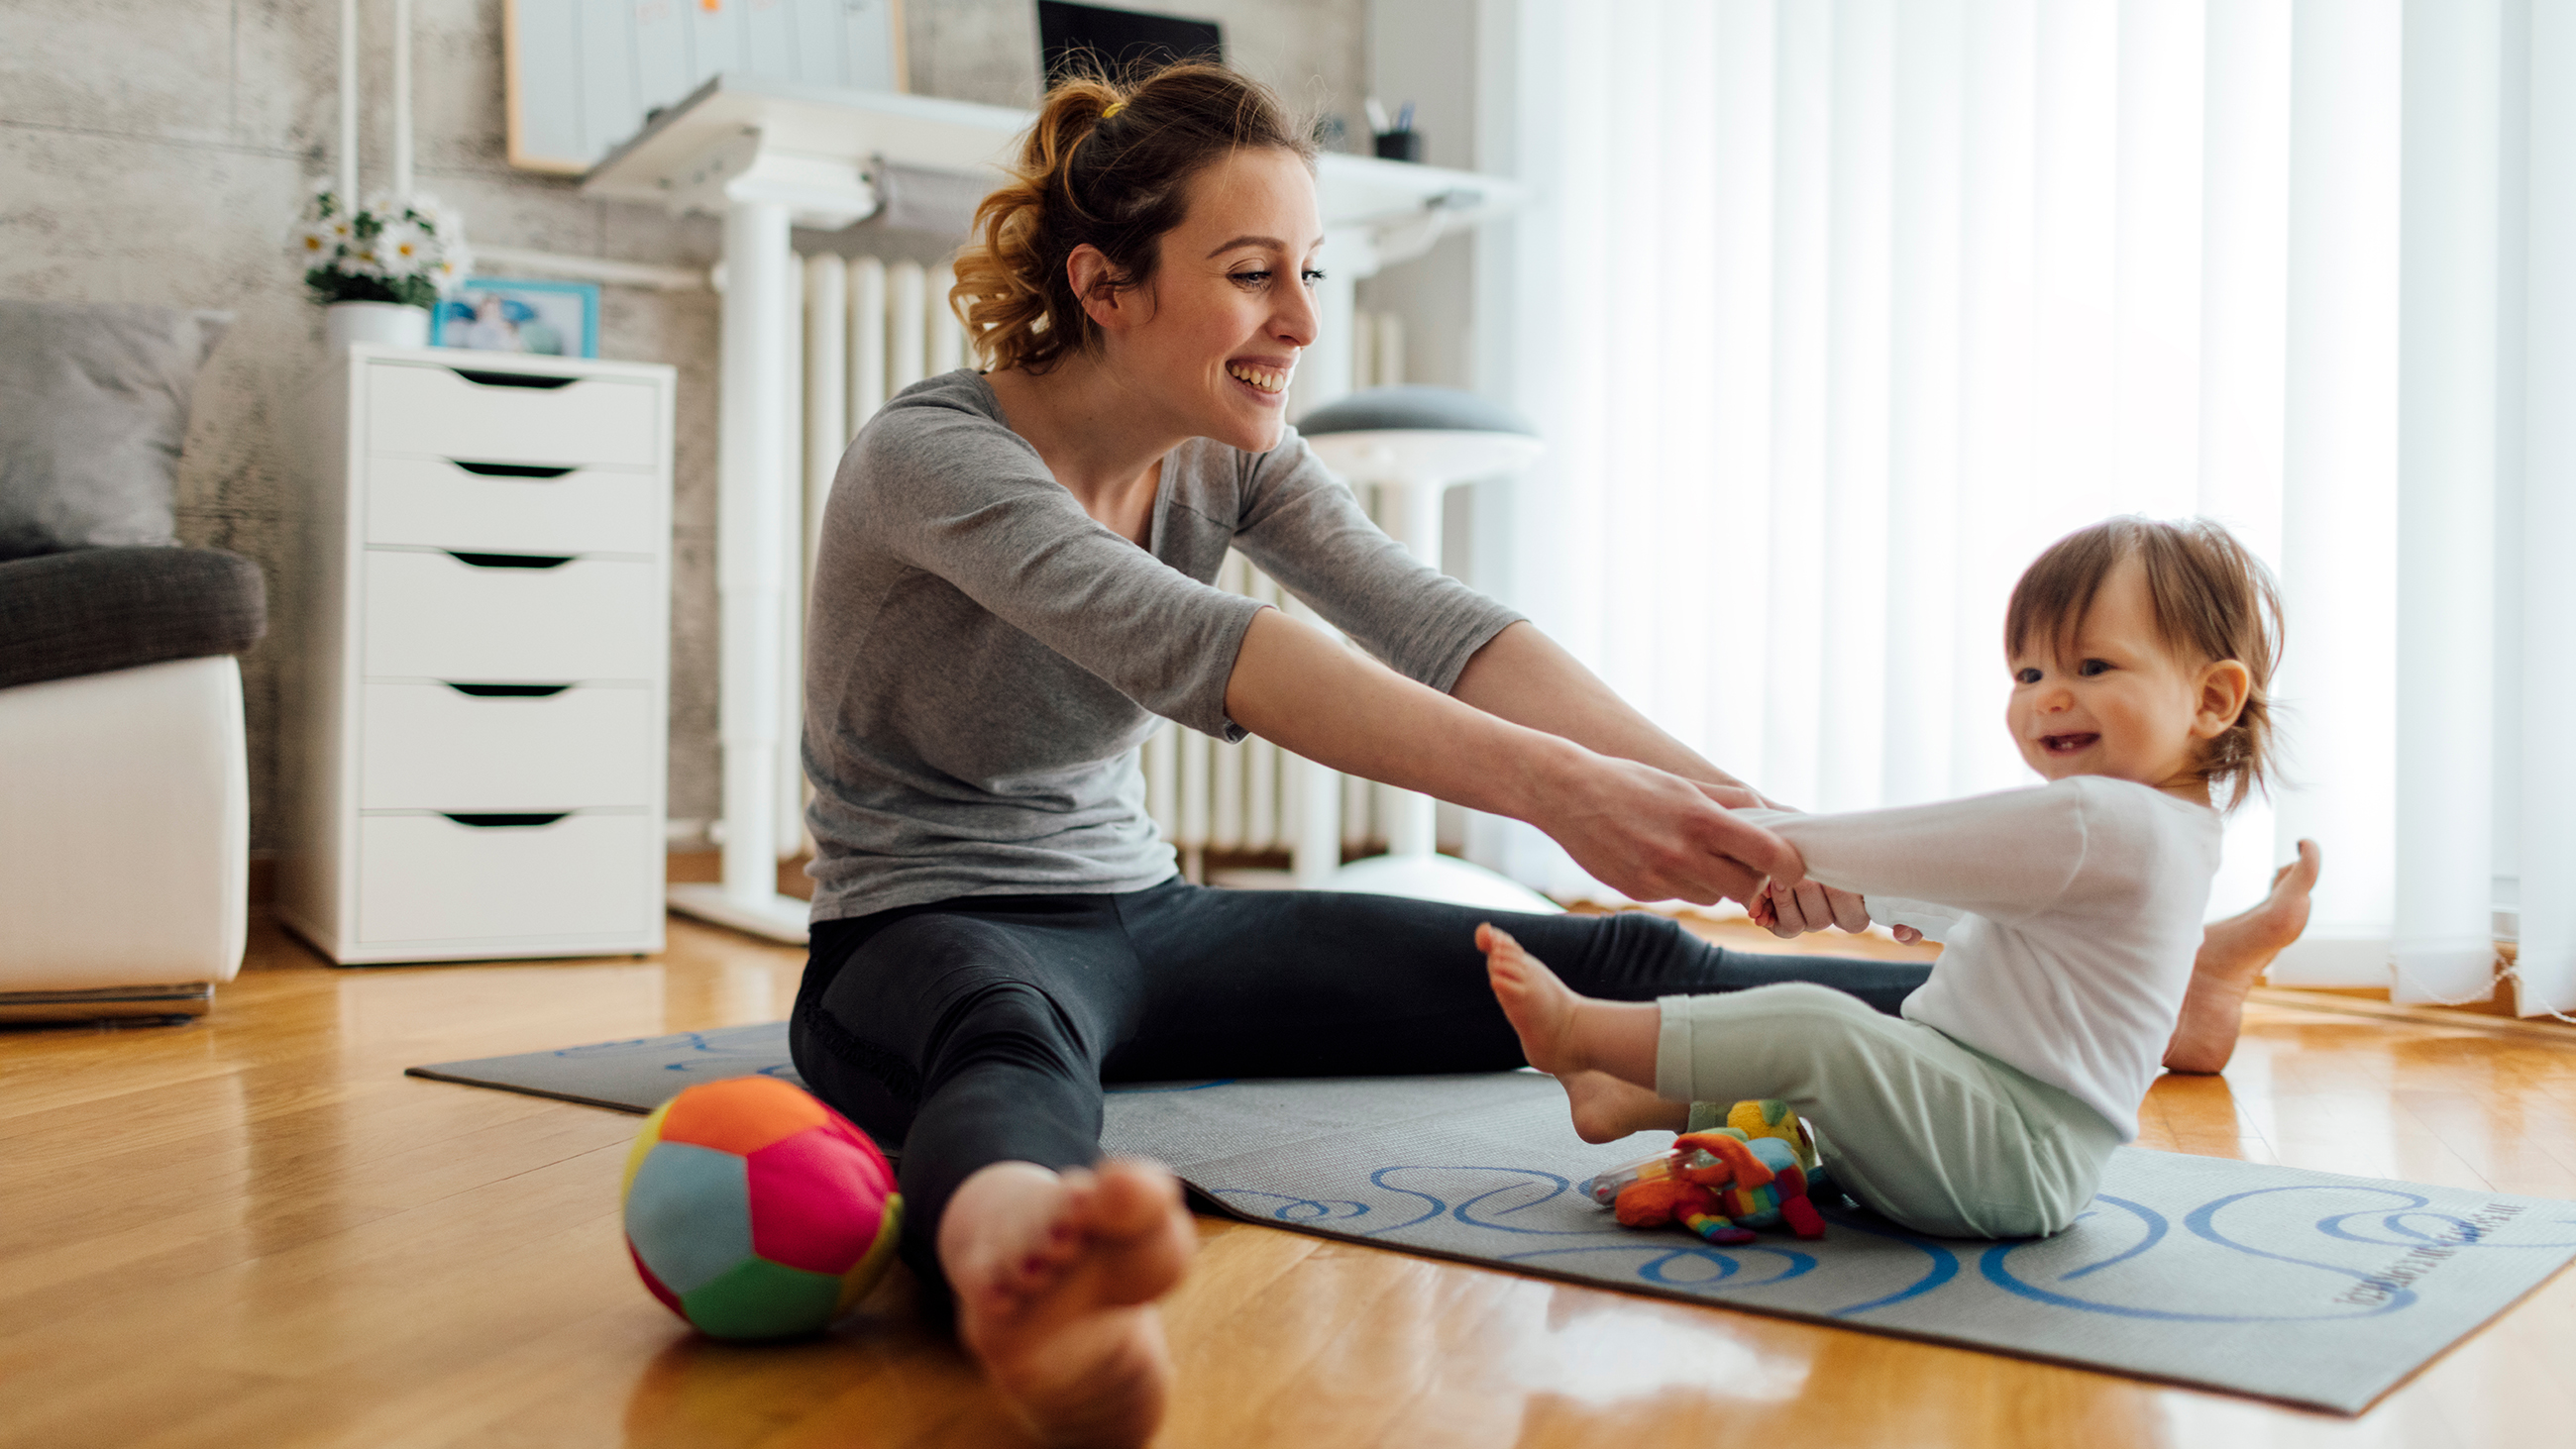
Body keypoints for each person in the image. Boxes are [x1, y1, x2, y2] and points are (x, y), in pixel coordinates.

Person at [786, 61, 2315, 1448]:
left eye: (1306, 273)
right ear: (1104, 284)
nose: (1302, 323)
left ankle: (2143, 990)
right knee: (1009, 1054)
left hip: (1152, 913)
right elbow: (1227, 654)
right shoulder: (936, 457)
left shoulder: (1228, 449)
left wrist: (1739, 815)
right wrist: (1570, 793)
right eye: (1252, 276)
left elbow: (1440, 624)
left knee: (1630, 963)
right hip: (929, 926)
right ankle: (1029, 1278)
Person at [1483, 517, 2289, 1239]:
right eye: (2028, 673)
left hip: (2014, 1153)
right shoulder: (2161, 831)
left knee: (1818, 1029)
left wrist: (1746, 838)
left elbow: (1906, 847)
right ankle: (1618, 1091)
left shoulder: (2105, 821)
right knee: (1854, 1052)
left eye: (2091, 664)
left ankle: (1582, 1033)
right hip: (1981, 1126)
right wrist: (1846, 897)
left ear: (2212, 698)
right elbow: (1962, 898)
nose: (2048, 698)